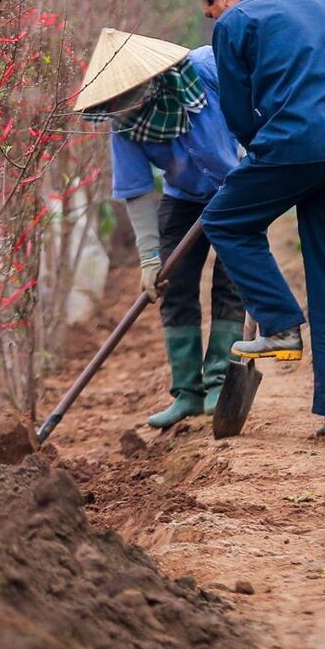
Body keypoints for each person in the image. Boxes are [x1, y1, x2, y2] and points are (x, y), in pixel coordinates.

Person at [194, 0, 325, 439]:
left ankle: (279, 325)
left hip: (295, 143)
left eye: (209, 13)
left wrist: (259, 154)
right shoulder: (320, 1)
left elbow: (238, 111)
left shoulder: (235, 21)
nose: (214, 20)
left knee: (227, 222)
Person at [73, 27, 245, 429]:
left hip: (239, 186)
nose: (126, 106)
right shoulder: (126, 127)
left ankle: (220, 381)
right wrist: (150, 259)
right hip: (183, 195)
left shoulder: (206, 69)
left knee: (234, 276)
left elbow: (255, 106)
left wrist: (254, 158)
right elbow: (136, 191)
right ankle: (187, 393)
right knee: (172, 282)